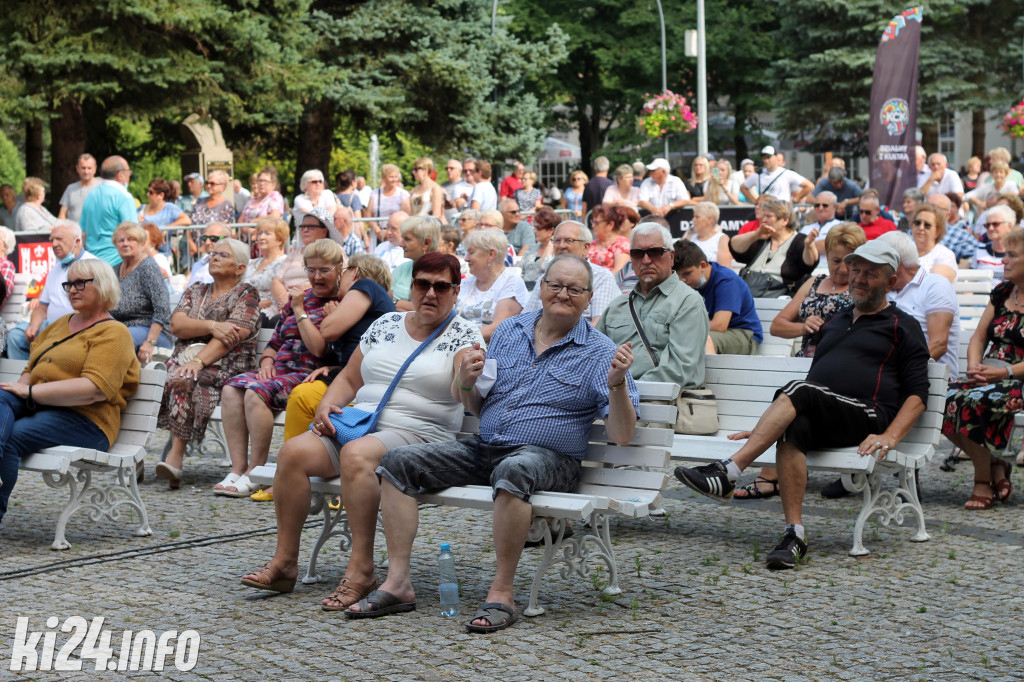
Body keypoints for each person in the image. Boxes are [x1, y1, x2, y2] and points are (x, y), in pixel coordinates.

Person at [346, 254, 637, 629]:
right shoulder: (509, 331)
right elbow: (476, 404)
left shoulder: (601, 352)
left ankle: (501, 593)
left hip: (550, 459)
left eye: (574, 289)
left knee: (514, 470)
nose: (563, 294)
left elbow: (622, 434)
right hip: (487, 447)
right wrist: (465, 382)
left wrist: (616, 384)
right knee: (399, 461)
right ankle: (398, 583)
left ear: (588, 297)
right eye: (555, 285)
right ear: (542, 287)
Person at [240, 253, 483, 608]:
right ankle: (285, 562)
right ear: (411, 286)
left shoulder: (464, 333)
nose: (431, 293)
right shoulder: (386, 324)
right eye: (422, 284)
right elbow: (351, 377)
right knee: (292, 452)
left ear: (456, 291)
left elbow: (468, 393)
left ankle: (362, 569)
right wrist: (326, 404)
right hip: (362, 423)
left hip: (418, 430)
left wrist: (465, 380)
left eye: (441, 286)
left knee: (358, 455)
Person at [675, 240, 930, 568]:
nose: (859, 278)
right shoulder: (836, 321)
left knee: (803, 390)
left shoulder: (903, 327)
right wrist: (770, 424)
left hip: (868, 416)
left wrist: (891, 436)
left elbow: (918, 393)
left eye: (871, 274)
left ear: (891, 282)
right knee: (794, 426)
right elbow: (818, 380)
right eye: (855, 270)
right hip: (828, 412)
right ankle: (793, 534)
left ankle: (729, 471)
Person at [733, 223, 867, 500]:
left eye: (849, 261)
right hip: (803, 363)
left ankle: (766, 475)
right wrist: (804, 326)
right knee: (788, 396)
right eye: (836, 260)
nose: (842, 268)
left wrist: (831, 329)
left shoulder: (862, 290)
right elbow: (778, 326)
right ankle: (768, 474)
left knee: (792, 402)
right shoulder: (814, 282)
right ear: (826, 256)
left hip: (838, 369)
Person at [0, 259, 139, 523]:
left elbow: (93, 390)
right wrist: (21, 389)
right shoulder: (60, 323)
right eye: (68, 284)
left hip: (87, 420)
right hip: (41, 405)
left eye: (80, 283)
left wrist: (29, 394)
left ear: (104, 285)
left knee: (13, 437)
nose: (72, 289)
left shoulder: (115, 333)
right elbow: (32, 368)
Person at [215, 238, 345, 498]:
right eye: (312, 270)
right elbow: (274, 341)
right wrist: (266, 361)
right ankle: (238, 468)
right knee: (231, 388)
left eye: (324, 270)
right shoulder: (299, 298)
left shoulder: (339, 303)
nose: (317, 277)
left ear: (339, 269)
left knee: (255, 392)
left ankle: (257, 469)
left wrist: (300, 311)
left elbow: (319, 349)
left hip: (307, 373)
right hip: (280, 371)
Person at [154, 239, 261, 489]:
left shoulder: (247, 294)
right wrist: (213, 326)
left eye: (223, 255)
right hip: (186, 360)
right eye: (213, 253)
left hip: (229, 364)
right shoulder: (196, 290)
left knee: (183, 379)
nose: (214, 257)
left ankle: (176, 458)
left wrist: (199, 361)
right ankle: (134, 456)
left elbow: (232, 337)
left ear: (239, 267)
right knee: (145, 381)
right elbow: (177, 325)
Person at [941, 227, 1024, 509]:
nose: (1004, 261)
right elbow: (979, 336)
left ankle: (981, 480)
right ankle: (994, 464)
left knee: (972, 402)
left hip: (1017, 379)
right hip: (988, 373)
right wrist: (974, 364)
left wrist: (1005, 373)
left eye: (1012, 255)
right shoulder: (1002, 292)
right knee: (938, 397)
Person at [280, 253, 396, 443]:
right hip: (358, 377)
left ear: (355, 272)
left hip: (368, 385)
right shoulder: (369, 301)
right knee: (303, 395)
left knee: (303, 396)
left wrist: (332, 316)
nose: (338, 280)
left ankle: (295, 458)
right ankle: (297, 456)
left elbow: (328, 330)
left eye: (343, 272)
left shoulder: (365, 285)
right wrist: (336, 368)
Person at [596, 223, 708, 388]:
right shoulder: (617, 305)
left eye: (655, 252)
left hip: (664, 402)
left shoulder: (688, 301)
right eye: (637, 254)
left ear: (671, 257)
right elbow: (593, 356)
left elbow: (679, 370)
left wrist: (622, 388)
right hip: (611, 397)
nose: (646, 260)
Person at [4, 222, 98, 360]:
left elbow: (94, 308)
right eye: (52, 240)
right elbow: (42, 308)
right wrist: (33, 326)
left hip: (76, 327)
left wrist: (63, 325)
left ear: (77, 241)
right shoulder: (56, 268)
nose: (54, 244)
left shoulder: (93, 264)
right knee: (15, 337)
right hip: (49, 326)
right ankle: (25, 379)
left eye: (59, 239)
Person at [523, 221, 621, 324]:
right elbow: (526, 319)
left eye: (568, 241)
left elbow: (600, 325)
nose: (561, 245)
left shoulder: (601, 278)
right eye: (557, 240)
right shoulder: (544, 278)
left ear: (586, 247)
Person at [674, 240, 762, 355]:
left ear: (703, 265)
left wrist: (682, 329)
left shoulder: (726, 280)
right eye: (677, 274)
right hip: (714, 334)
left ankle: (709, 374)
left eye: (687, 273)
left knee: (701, 340)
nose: (682, 280)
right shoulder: (687, 283)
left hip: (744, 335)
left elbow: (719, 325)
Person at [109, 222, 172, 358]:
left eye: (131, 239)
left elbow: (163, 309)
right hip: (119, 330)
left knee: (119, 338)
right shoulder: (114, 271)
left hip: (152, 331)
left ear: (142, 244)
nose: (125, 244)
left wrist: (150, 342)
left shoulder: (147, 267)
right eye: (121, 240)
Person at [729, 199, 815, 297]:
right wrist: (755, 235)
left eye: (768, 216)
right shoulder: (761, 237)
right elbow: (733, 247)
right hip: (748, 293)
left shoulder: (799, 241)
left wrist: (809, 246)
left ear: (785, 220)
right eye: (764, 216)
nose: (764, 220)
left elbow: (809, 264)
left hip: (780, 298)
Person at [456, 229, 528, 342]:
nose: (466, 258)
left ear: (491, 254)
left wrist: (458, 339)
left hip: (491, 352)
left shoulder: (510, 282)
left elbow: (498, 328)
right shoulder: (466, 283)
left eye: (471, 252)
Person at [80, 156, 136, 266]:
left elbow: (83, 234)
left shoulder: (90, 196)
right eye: (128, 172)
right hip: (117, 262)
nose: (129, 175)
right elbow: (134, 234)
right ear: (120, 174)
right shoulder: (124, 196)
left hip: (92, 262)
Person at [244, 217, 290, 325]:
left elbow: (285, 296)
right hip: (244, 308)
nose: (261, 237)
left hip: (267, 312)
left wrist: (254, 305)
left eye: (267, 234)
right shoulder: (252, 263)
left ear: (279, 240)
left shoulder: (286, 263)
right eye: (260, 233)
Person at [392, 216, 441, 311]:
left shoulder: (444, 272)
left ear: (426, 243)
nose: (401, 244)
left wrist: (396, 303)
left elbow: (436, 311)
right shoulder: (401, 269)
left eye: (407, 239)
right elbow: (386, 300)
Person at [741, 146, 813, 204]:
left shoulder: (786, 173)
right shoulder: (758, 174)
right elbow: (743, 187)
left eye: (768, 157)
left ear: (775, 157)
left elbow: (809, 186)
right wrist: (754, 201)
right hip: (765, 210)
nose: (766, 160)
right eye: (764, 157)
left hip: (781, 210)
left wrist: (795, 199)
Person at [366, 166, 411, 250]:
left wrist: (388, 231)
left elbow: (406, 216)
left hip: (396, 235)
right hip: (377, 235)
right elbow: (368, 215)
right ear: (384, 178)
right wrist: (378, 231)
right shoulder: (375, 193)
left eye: (396, 176)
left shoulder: (403, 194)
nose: (394, 179)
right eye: (391, 177)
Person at [909, 203, 957, 281]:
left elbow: (935, 284)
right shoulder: (904, 251)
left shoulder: (945, 255)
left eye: (927, 225)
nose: (921, 227)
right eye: (917, 223)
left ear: (937, 232)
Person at [518, 208, 559, 289]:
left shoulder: (558, 251)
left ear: (551, 230)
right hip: (525, 288)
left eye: (538, 228)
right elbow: (520, 267)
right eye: (534, 227)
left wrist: (550, 245)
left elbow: (545, 267)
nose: (535, 231)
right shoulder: (533, 247)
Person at [972, 205, 1015, 282]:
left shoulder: (1019, 253)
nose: (990, 228)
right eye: (987, 225)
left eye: (995, 224)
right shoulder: (980, 249)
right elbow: (971, 281)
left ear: (1009, 225)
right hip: (980, 293)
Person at [685, 201, 732, 267]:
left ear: (710, 219)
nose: (693, 220)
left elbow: (724, 270)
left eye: (697, 217)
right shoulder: (690, 238)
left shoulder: (722, 239)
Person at [587, 205, 631, 274]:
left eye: (596, 223)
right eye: (592, 222)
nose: (592, 226)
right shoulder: (592, 243)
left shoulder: (622, 244)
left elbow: (619, 272)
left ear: (610, 225)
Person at [186, 223, 232, 288]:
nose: (207, 242)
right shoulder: (198, 264)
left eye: (213, 238)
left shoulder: (233, 265)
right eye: (205, 238)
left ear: (227, 239)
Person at [58, 154, 100, 222]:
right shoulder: (70, 189)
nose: (86, 172)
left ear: (95, 169)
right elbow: (62, 214)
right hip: (73, 231)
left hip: (95, 231)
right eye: (83, 168)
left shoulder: (101, 187)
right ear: (77, 168)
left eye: (89, 168)